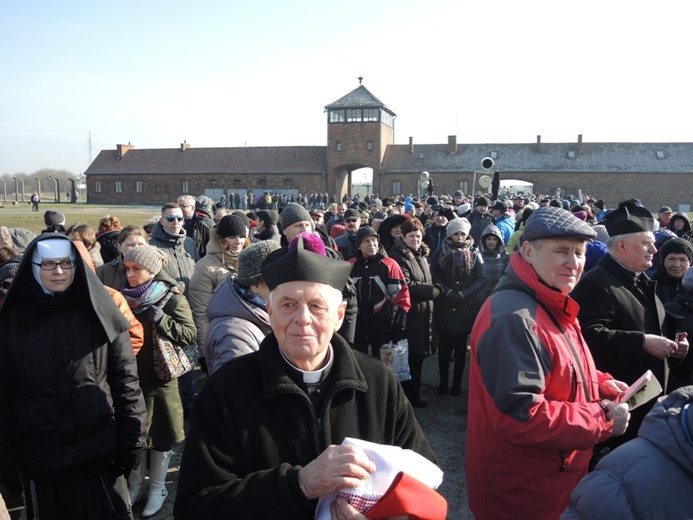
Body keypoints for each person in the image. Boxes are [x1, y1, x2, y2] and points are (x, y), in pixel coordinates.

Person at [173, 234, 436, 519]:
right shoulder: (225, 390)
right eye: (288, 305)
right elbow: (196, 508)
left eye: (316, 306)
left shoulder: (378, 383)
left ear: (338, 315)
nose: (302, 318)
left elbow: (425, 489)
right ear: (270, 312)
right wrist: (299, 484)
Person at [467, 206, 630, 520]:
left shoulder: (546, 298)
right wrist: (602, 419)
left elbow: (554, 365)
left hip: (550, 480)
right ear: (528, 251)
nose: (574, 263)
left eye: (580, 253)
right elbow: (521, 415)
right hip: (526, 494)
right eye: (562, 251)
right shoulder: (516, 318)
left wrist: (598, 383)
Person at [0, 235, 147, 519]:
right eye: (49, 264)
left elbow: (126, 380)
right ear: (33, 267)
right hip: (41, 457)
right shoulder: (12, 321)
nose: (59, 271)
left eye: (66, 264)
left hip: (98, 452)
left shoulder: (101, 312)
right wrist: (4, 453)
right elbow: (3, 391)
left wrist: (134, 438)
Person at [571, 199, 689, 448]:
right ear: (622, 245)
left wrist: (673, 347)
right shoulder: (596, 283)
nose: (655, 251)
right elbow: (588, 339)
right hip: (619, 408)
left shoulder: (641, 279)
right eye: (647, 244)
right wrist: (643, 343)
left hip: (648, 405)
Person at [120, 245, 196, 517]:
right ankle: (137, 485)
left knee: (161, 436)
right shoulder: (122, 296)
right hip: (131, 380)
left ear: (152, 271)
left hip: (161, 380)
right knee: (136, 436)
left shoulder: (170, 298)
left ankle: (159, 488)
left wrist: (163, 320)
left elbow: (189, 335)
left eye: (136, 269)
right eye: (127, 268)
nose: (130, 274)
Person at [561, 386, 693, 519]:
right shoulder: (616, 483)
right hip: (553, 482)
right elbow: (540, 413)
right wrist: (604, 417)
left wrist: (600, 383)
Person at [205, 240, 280, 374]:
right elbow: (235, 391)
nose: (285, 282)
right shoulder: (232, 334)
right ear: (255, 285)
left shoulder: (266, 311)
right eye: (277, 277)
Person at [389, 217, 442, 408]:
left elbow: (427, 279)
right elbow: (407, 285)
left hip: (423, 314)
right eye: (411, 236)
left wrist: (434, 287)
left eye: (418, 236)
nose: (415, 239)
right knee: (407, 360)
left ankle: (414, 395)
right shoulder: (398, 256)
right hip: (409, 316)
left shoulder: (421, 255)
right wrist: (431, 291)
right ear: (403, 237)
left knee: (417, 358)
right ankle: (405, 398)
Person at [429, 218, 485, 396]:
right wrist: (447, 291)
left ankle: (457, 384)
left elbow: (481, 278)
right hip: (445, 305)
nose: (459, 237)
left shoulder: (475, 252)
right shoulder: (440, 251)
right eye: (456, 233)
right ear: (450, 234)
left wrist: (463, 294)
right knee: (444, 348)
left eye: (462, 233)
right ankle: (443, 382)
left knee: (461, 349)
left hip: (464, 306)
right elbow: (434, 274)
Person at [188, 213, 249, 363]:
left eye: (241, 236)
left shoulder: (249, 260)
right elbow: (200, 311)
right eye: (232, 237)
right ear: (221, 239)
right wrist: (205, 351)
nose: (238, 241)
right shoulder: (206, 265)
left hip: (248, 334)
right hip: (220, 336)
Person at [349, 226, 411, 356]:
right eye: (366, 241)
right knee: (359, 369)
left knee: (383, 369)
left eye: (374, 240)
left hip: (382, 328)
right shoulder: (350, 265)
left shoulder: (389, 264)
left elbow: (401, 297)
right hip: (357, 328)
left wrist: (398, 326)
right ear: (359, 246)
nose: (371, 244)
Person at [148, 202, 198, 297]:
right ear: (162, 221)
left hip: (191, 302)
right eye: (171, 219)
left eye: (179, 219)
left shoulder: (189, 242)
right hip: (166, 303)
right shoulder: (151, 246)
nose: (175, 222)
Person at [97, 225, 150, 290]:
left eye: (140, 244)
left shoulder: (156, 271)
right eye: (131, 245)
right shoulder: (103, 272)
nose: (136, 248)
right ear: (119, 247)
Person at [474, 224, 509, 306]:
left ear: (499, 241)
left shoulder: (505, 257)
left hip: (498, 298)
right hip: (479, 299)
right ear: (484, 240)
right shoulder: (476, 256)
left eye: (494, 239)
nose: (491, 242)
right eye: (488, 239)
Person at [651, 236, 693, 304]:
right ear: (663, 261)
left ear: (690, 262)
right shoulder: (651, 286)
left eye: (683, 260)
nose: (676, 265)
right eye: (671, 259)